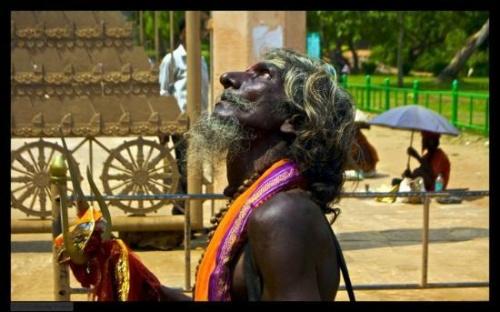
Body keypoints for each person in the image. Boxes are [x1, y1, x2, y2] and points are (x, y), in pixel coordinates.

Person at [58, 48, 356, 301]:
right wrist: (121, 269)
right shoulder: (268, 207)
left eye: (264, 75)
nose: (228, 77)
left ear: (294, 120)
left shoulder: (285, 215)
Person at [158, 18, 209, 214]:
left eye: (200, 30)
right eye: (192, 30)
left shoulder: (201, 59)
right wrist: (163, 123)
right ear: (182, 34)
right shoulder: (171, 59)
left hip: (199, 121)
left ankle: (188, 211)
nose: (198, 34)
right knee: (185, 166)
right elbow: (163, 92)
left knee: (194, 167)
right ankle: (181, 211)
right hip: (179, 121)